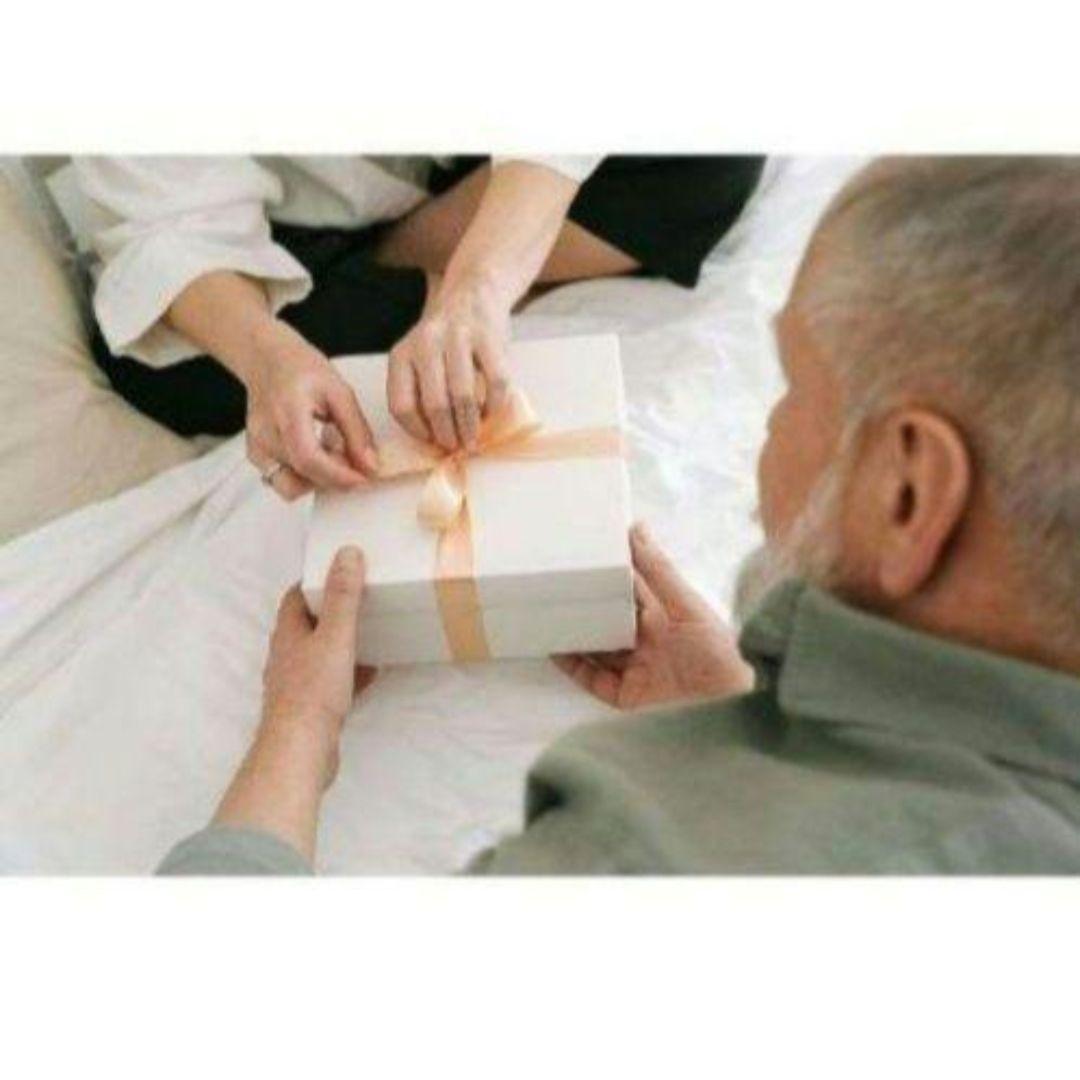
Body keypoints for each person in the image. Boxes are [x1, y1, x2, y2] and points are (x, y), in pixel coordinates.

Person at [159, 156, 1080, 875]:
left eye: (793, 384)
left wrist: (299, 729)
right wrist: (727, 697)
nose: (769, 421)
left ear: (907, 492)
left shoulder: (630, 852)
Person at [74, 155, 764, 498]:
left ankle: (416, 267)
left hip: (476, 167)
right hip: (283, 233)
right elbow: (171, 225)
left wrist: (479, 287)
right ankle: (400, 272)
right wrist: (270, 358)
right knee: (172, 370)